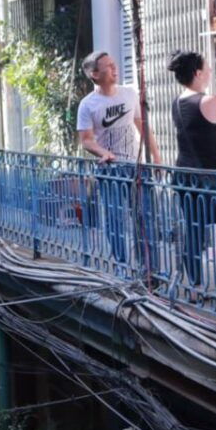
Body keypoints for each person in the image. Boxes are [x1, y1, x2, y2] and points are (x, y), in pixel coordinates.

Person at [76, 51, 162, 278]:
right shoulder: (87, 105)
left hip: (135, 166)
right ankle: (122, 266)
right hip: (109, 169)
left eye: (114, 64)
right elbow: (86, 139)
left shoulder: (129, 94)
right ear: (94, 74)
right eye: (109, 66)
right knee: (115, 219)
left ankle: (150, 270)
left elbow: (142, 126)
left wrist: (156, 158)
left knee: (145, 217)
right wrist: (103, 152)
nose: (115, 69)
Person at [167, 50, 216, 296]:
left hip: (184, 176)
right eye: (207, 68)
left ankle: (195, 285)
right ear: (198, 73)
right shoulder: (210, 101)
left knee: (193, 230)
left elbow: (208, 115)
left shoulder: (179, 101)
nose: (210, 71)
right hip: (213, 179)